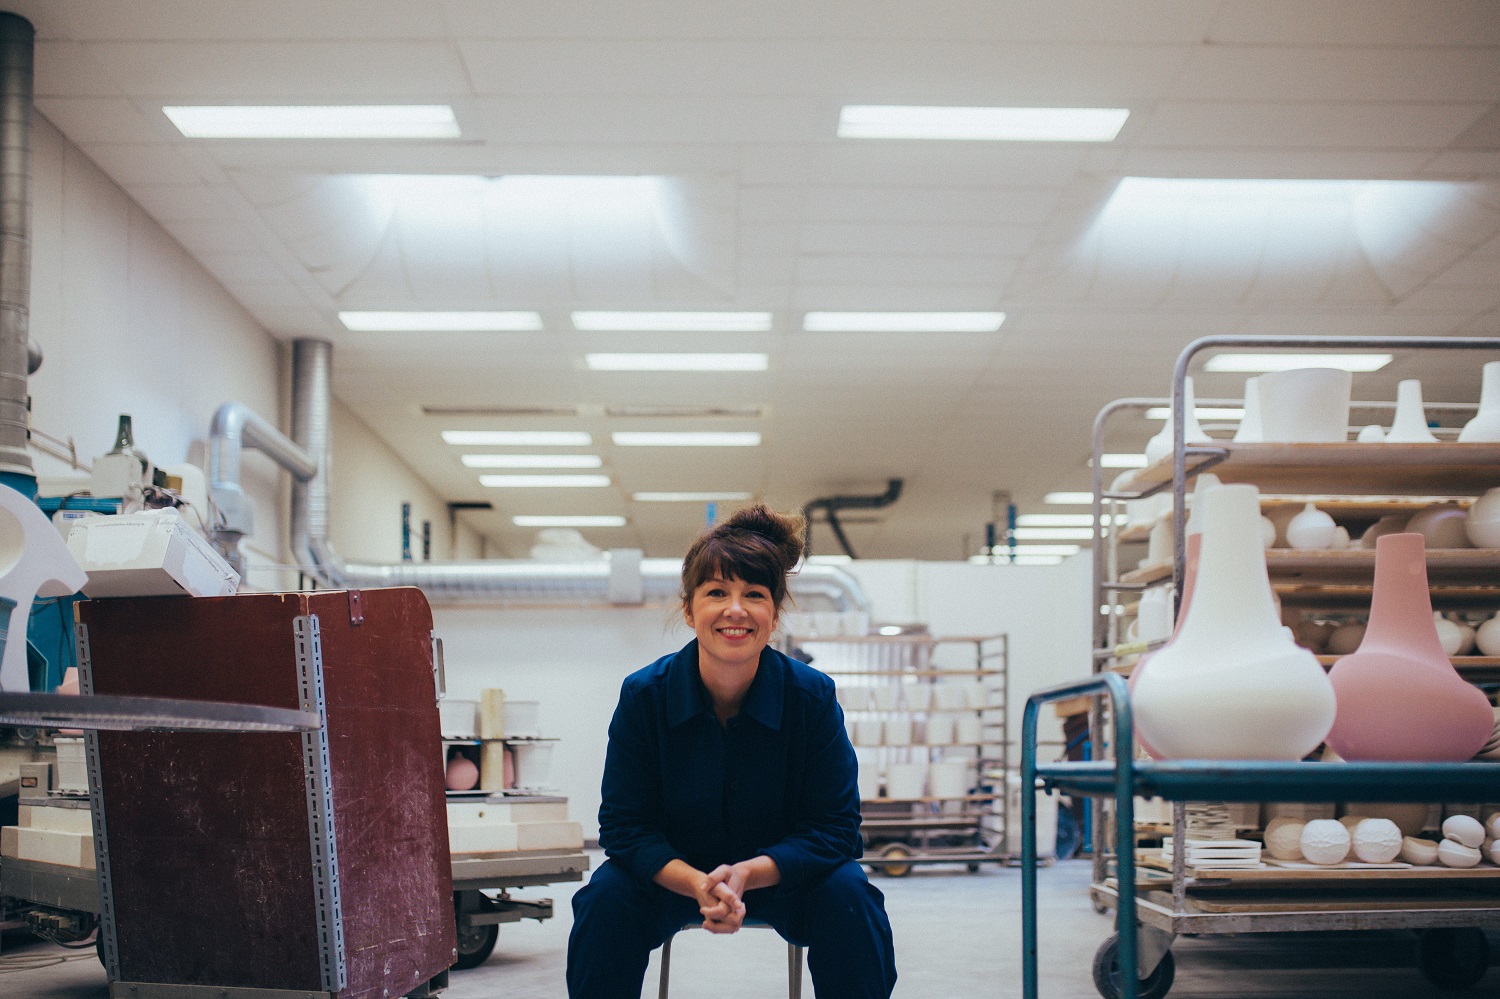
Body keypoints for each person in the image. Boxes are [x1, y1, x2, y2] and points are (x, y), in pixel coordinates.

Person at [567, 505, 897, 999]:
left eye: (754, 595)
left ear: (774, 613)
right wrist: (697, 883)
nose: (735, 610)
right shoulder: (645, 696)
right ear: (689, 608)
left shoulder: (812, 698)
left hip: (785, 879)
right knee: (605, 901)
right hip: (673, 878)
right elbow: (624, 828)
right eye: (717, 592)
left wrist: (748, 873)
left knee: (851, 897)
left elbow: (836, 828)